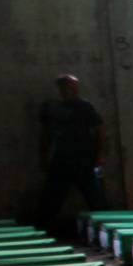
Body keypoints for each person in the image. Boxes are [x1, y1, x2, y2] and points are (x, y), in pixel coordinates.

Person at [35, 74, 107, 234]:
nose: (72, 90)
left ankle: (107, 231)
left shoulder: (85, 106)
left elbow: (100, 131)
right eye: (68, 87)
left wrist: (99, 156)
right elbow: (45, 135)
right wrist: (43, 156)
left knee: (96, 200)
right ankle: (41, 231)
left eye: (74, 87)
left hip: (84, 160)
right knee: (51, 199)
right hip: (61, 160)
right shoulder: (52, 108)